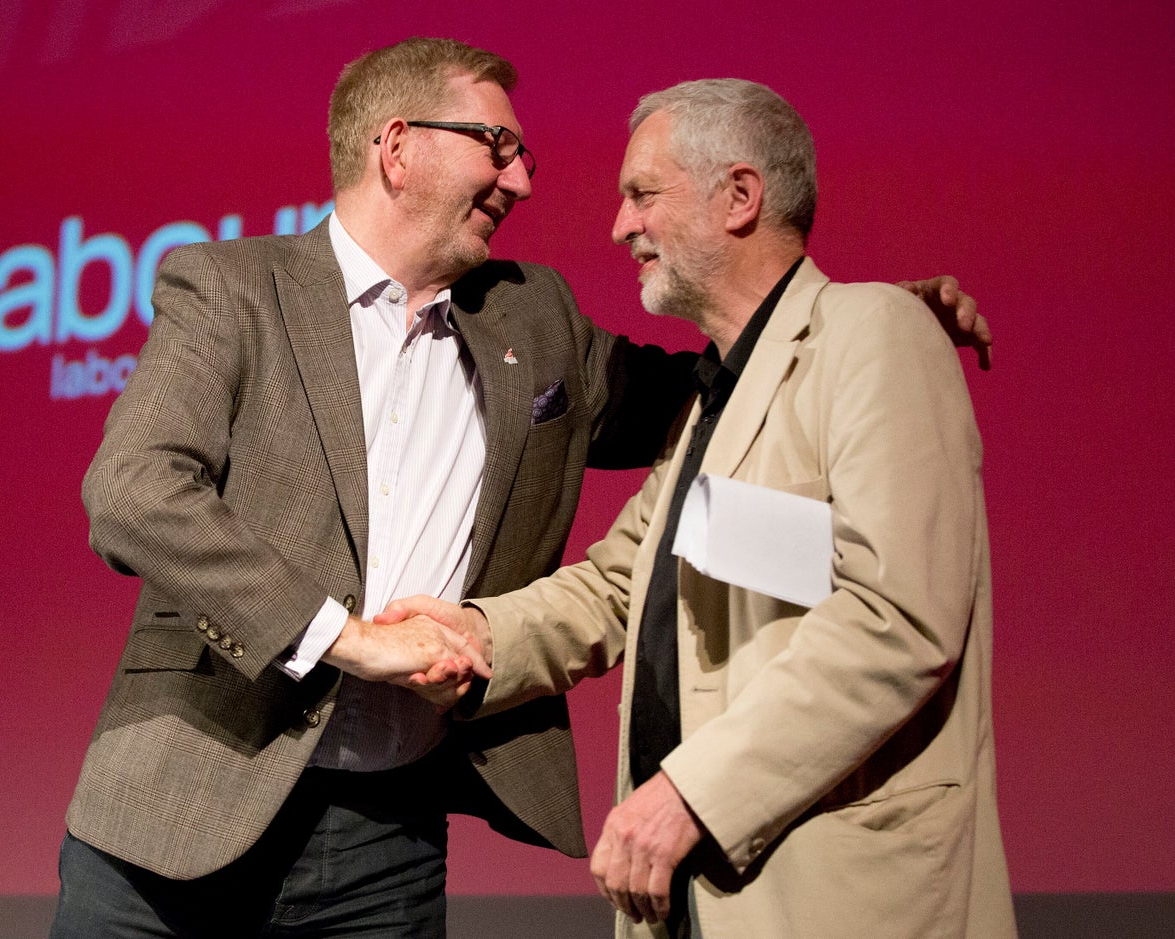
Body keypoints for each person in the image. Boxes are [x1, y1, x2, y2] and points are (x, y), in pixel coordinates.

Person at [51, 36, 991, 939]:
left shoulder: (531, 314)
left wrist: (870, 316)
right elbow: (135, 490)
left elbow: (733, 382)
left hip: (391, 832)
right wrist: (348, 639)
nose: (525, 181)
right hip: (187, 803)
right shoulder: (232, 287)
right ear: (397, 147)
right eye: (498, 146)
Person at [391, 79, 1017, 938]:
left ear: (740, 197)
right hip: (697, 895)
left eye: (644, 194)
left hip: (834, 896)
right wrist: (470, 636)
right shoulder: (710, 400)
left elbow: (897, 615)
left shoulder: (875, 334)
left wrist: (690, 795)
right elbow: (622, 585)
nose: (620, 225)